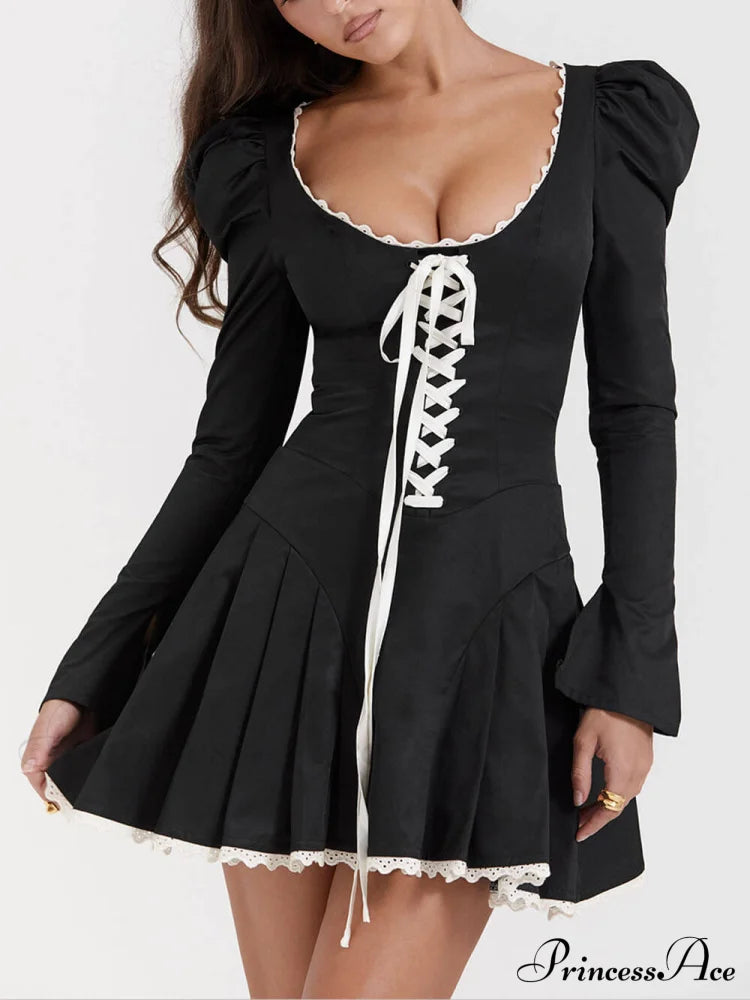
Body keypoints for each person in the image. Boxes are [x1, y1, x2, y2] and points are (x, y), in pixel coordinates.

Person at [21, 0, 700, 996]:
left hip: (490, 635)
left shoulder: (607, 122)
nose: (335, 3)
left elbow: (635, 412)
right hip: (281, 628)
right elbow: (230, 449)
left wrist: (630, 675)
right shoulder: (270, 156)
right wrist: (95, 667)